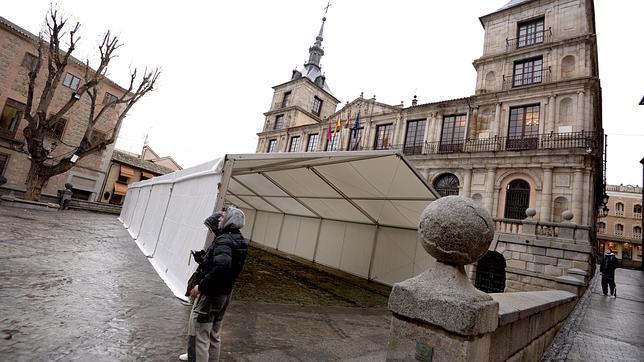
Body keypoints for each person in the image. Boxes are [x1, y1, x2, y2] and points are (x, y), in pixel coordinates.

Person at [179, 207, 248, 362]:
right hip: (225, 292)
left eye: (223, 217)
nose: (219, 219)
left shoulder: (224, 240)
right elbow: (228, 266)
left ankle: (194, 357)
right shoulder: (240, 239)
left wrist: (201, 286)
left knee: (200, 334)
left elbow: (222, 265)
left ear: (229, 220)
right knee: (214, 334)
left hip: (212, 293)